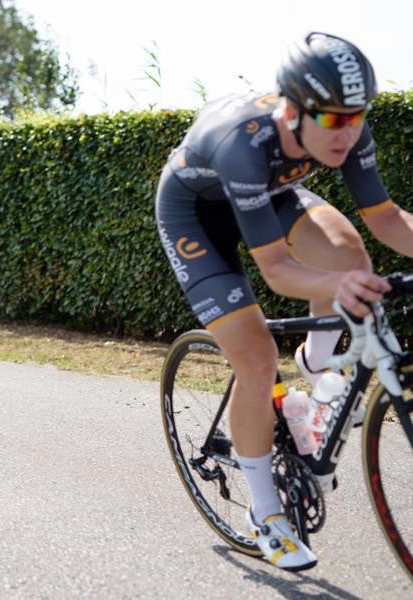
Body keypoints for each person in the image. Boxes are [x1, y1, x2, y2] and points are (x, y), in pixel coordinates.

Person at [155, 32, 413, 571]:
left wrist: (344, 280)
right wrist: (336, 290)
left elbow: (387, 220)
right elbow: (275, 271)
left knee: (350, 258)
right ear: (294, 110)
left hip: (271, 196)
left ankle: (318, 368)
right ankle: (266, 515)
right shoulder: (243, 145)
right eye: (335, 119)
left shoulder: (345, 131)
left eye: (359, 116)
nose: (349, 132)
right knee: (255, 359)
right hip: (195, 216)